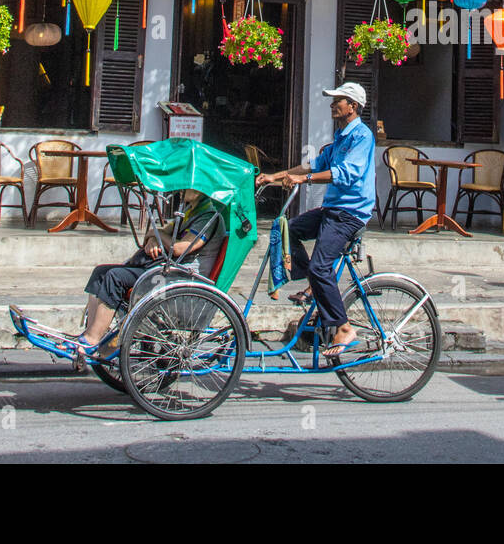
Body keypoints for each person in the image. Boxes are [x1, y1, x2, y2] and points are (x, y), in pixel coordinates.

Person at [257, 83, 376, 359]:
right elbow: (314, 166)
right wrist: (276, 176)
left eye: (339, 101)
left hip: (350, 213)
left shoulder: (362, 136)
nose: (334, 104)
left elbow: (345, 173)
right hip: (332, 209)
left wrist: (304, 179)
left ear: (353, 107)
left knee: (321, 268)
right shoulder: (341, 138)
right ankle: (316, 282)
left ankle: (343, 327)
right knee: (290, 229)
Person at [69, 188, 222, 363]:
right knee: (100, 273)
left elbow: (181, 247)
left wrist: (154, 234)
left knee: (114, 277)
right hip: (165, 269)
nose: (182, 188)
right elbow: (165, 233)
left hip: (179, 276)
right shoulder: (190, 211)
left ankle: (91, 341)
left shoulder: (207, 217)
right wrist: (154, 239)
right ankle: (90, 334)